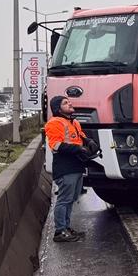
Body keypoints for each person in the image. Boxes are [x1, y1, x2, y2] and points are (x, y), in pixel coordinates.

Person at [45, 96, 97, 242]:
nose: (70, 104)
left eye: (69, 102)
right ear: (57, 108)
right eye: (65, 103)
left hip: (76, 165)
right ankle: (60, 231)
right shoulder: (54, 123)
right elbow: (56, 145)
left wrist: (88, 141)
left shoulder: (73, 122)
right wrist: (79, 148)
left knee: (71, 199)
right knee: (64, 199)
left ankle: (66, 228)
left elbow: (80, 136)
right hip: (65, 166)